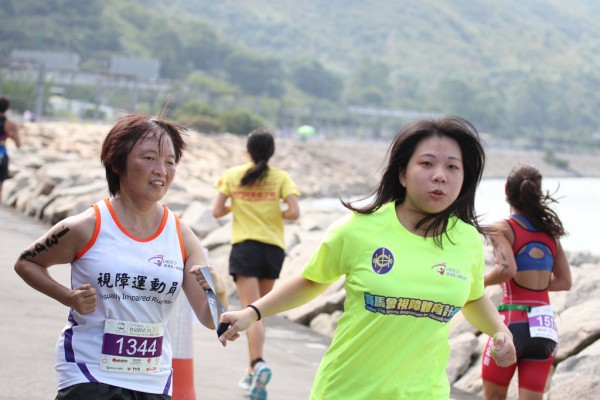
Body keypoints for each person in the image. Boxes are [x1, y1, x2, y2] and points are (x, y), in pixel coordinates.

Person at [217, 116, 517, 399]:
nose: (440, 176)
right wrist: (252, 313)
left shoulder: (466, 240)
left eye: (452, 167)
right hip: (348, 391)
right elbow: (311, 281)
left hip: (425, 392)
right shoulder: (358, 230)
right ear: (402, 173)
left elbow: (473, 298)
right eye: (427, 163)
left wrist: (500, 332)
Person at [14, 113, 228, 400]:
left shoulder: (182, 236)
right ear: (117, 163)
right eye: (149, 158)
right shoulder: (87, 225)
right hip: (89, 372)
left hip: (153, 379)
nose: (161, 170)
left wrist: (218, 293)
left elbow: (210, 318)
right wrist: (67, 296)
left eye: (170, 161)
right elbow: (27, 262)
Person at [212, 127, 300, 400]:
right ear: (271, 152)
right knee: (260, 310)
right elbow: (294, 212)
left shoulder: (232, 176)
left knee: (251, 310)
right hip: (273, 249)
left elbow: (217, 211)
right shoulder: (281, 178)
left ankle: (257, 364)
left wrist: (238, 205)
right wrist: (272, 211)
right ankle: (252, 372)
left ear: (248, 150)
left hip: (246, 248)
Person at [481, 163, 572, 400]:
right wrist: (535, 285)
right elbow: (565, 282)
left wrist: (480, 282)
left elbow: (506, 269)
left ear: (506, 190)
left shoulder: (501, 228)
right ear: (537, 192)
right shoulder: (551, 233)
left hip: (511, 323)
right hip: (545, 328)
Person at [0, 96, 21, 205]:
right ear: (7, 108)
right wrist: (11, 134)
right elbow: (18, 144)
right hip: (2, 156)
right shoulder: (11, 124)